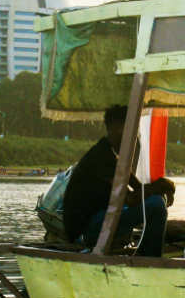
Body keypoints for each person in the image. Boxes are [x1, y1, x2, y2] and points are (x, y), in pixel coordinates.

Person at [63, 105, 176, 256]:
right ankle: (149, 258)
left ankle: (145, 253)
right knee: (155, 205)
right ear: (116, 130)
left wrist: (162, 188)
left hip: (99, 221)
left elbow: (139, 188)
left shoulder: (115, 157)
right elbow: (130, 199)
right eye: (132, 130)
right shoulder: (102, 155)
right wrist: (160, 184)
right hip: (84, 231)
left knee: (157, 199)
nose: (135, 135)